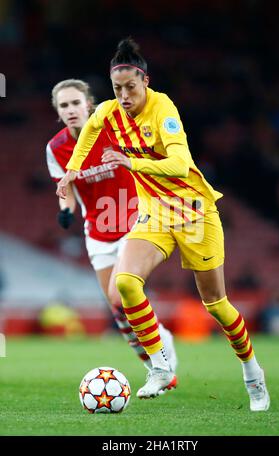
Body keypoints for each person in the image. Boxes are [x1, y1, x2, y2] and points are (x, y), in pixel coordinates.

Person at [56, 40, 270, 411]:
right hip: (154, 214)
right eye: (117, 88)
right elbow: (90, 131)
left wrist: (129, 163)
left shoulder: (163, 108)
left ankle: (253, 372)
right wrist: (73, 170)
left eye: (130, 88)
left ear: (146, 82)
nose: (123, 96)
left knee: (216, 305)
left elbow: (178, 165)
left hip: (195, 214)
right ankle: (159, 365)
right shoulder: (109, 111)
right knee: (124, 283)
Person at [47, 79, 177, 392]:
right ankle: (154, 364)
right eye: (63, 105)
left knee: (122, 293)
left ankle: (160, 355)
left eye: (75, 103)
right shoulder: (55, 148)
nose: (71, 110)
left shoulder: (114, 129)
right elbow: (67, 190)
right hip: (98, 232)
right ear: (58, 111)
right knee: (117, 309)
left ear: (88, 104)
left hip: (136, 223)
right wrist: (66, 209)